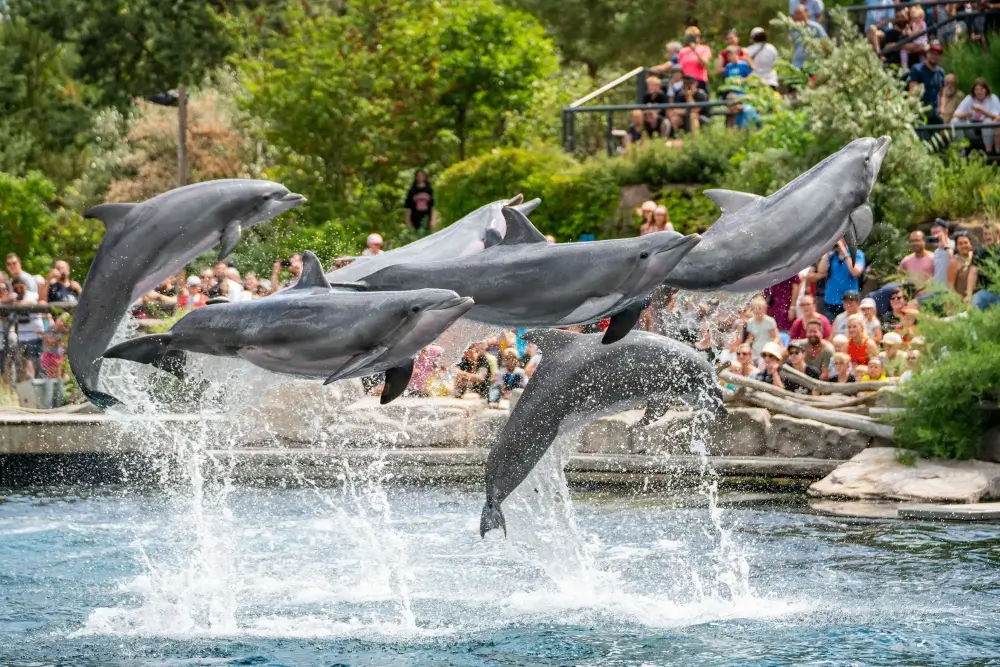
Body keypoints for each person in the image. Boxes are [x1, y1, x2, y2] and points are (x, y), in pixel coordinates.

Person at [817, 239, 865, 320]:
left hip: (850, 300)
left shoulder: (856, 254)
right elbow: (821, 270)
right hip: (831, 300)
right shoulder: (832, 255)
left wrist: (844, 253)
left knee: (851, 326)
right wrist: (827, 251)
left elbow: (855, 272)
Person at [951, 78, 1000, 154]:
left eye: (981, 89)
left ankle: (989, 151)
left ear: (986, 90)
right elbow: (955, 115)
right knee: (954, 121)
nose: (979, 92)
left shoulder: (993, 98)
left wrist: (982, 110)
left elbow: (997, 117)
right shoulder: (969, 99)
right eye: (976, 89)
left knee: (988, 122)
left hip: (989, 129)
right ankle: (961, 150)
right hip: (972, 127)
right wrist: (967, 114)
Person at [908, 44, 946, 126]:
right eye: (932, 53)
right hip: (921, 110)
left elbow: (942, 93)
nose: (934, 56)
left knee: (942, 135)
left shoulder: (941, 72)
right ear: (927, 54)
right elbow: (912, 91)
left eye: (937, 54)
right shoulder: (917, 69)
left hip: (935, 110)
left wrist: (942, 109)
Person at [791, 5, 827, 70]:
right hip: (797, 65)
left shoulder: (815, 27)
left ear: (806, 13)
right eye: (796, 13)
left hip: (813, 65)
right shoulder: (793, 30)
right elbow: (794, 46)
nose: (797, 16)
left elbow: (825, 43)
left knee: (812, 79)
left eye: (799, 13)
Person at [677, 27, 713, 94]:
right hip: (686, 82)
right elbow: (680, 67)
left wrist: (695, 50)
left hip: (699, 80)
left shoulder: (704, 48)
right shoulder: (682, 51)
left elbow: (704, 63)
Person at [947, 232, 979, 303]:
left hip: (975, 299)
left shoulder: (975, 257)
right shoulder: (954, 262)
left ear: (970, 244)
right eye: (960, 244)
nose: (963, 245)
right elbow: (950, 286)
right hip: (959, 300)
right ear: (957, 246)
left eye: (965, 242)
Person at [931, 218, 955, 287]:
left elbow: (953, 260)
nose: (936, 236)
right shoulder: (936, 252)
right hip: (938, 289)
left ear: (946, 231)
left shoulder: (954, 245)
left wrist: (944, 243)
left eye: (937, 233)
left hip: (949, 289)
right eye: (933, 233)